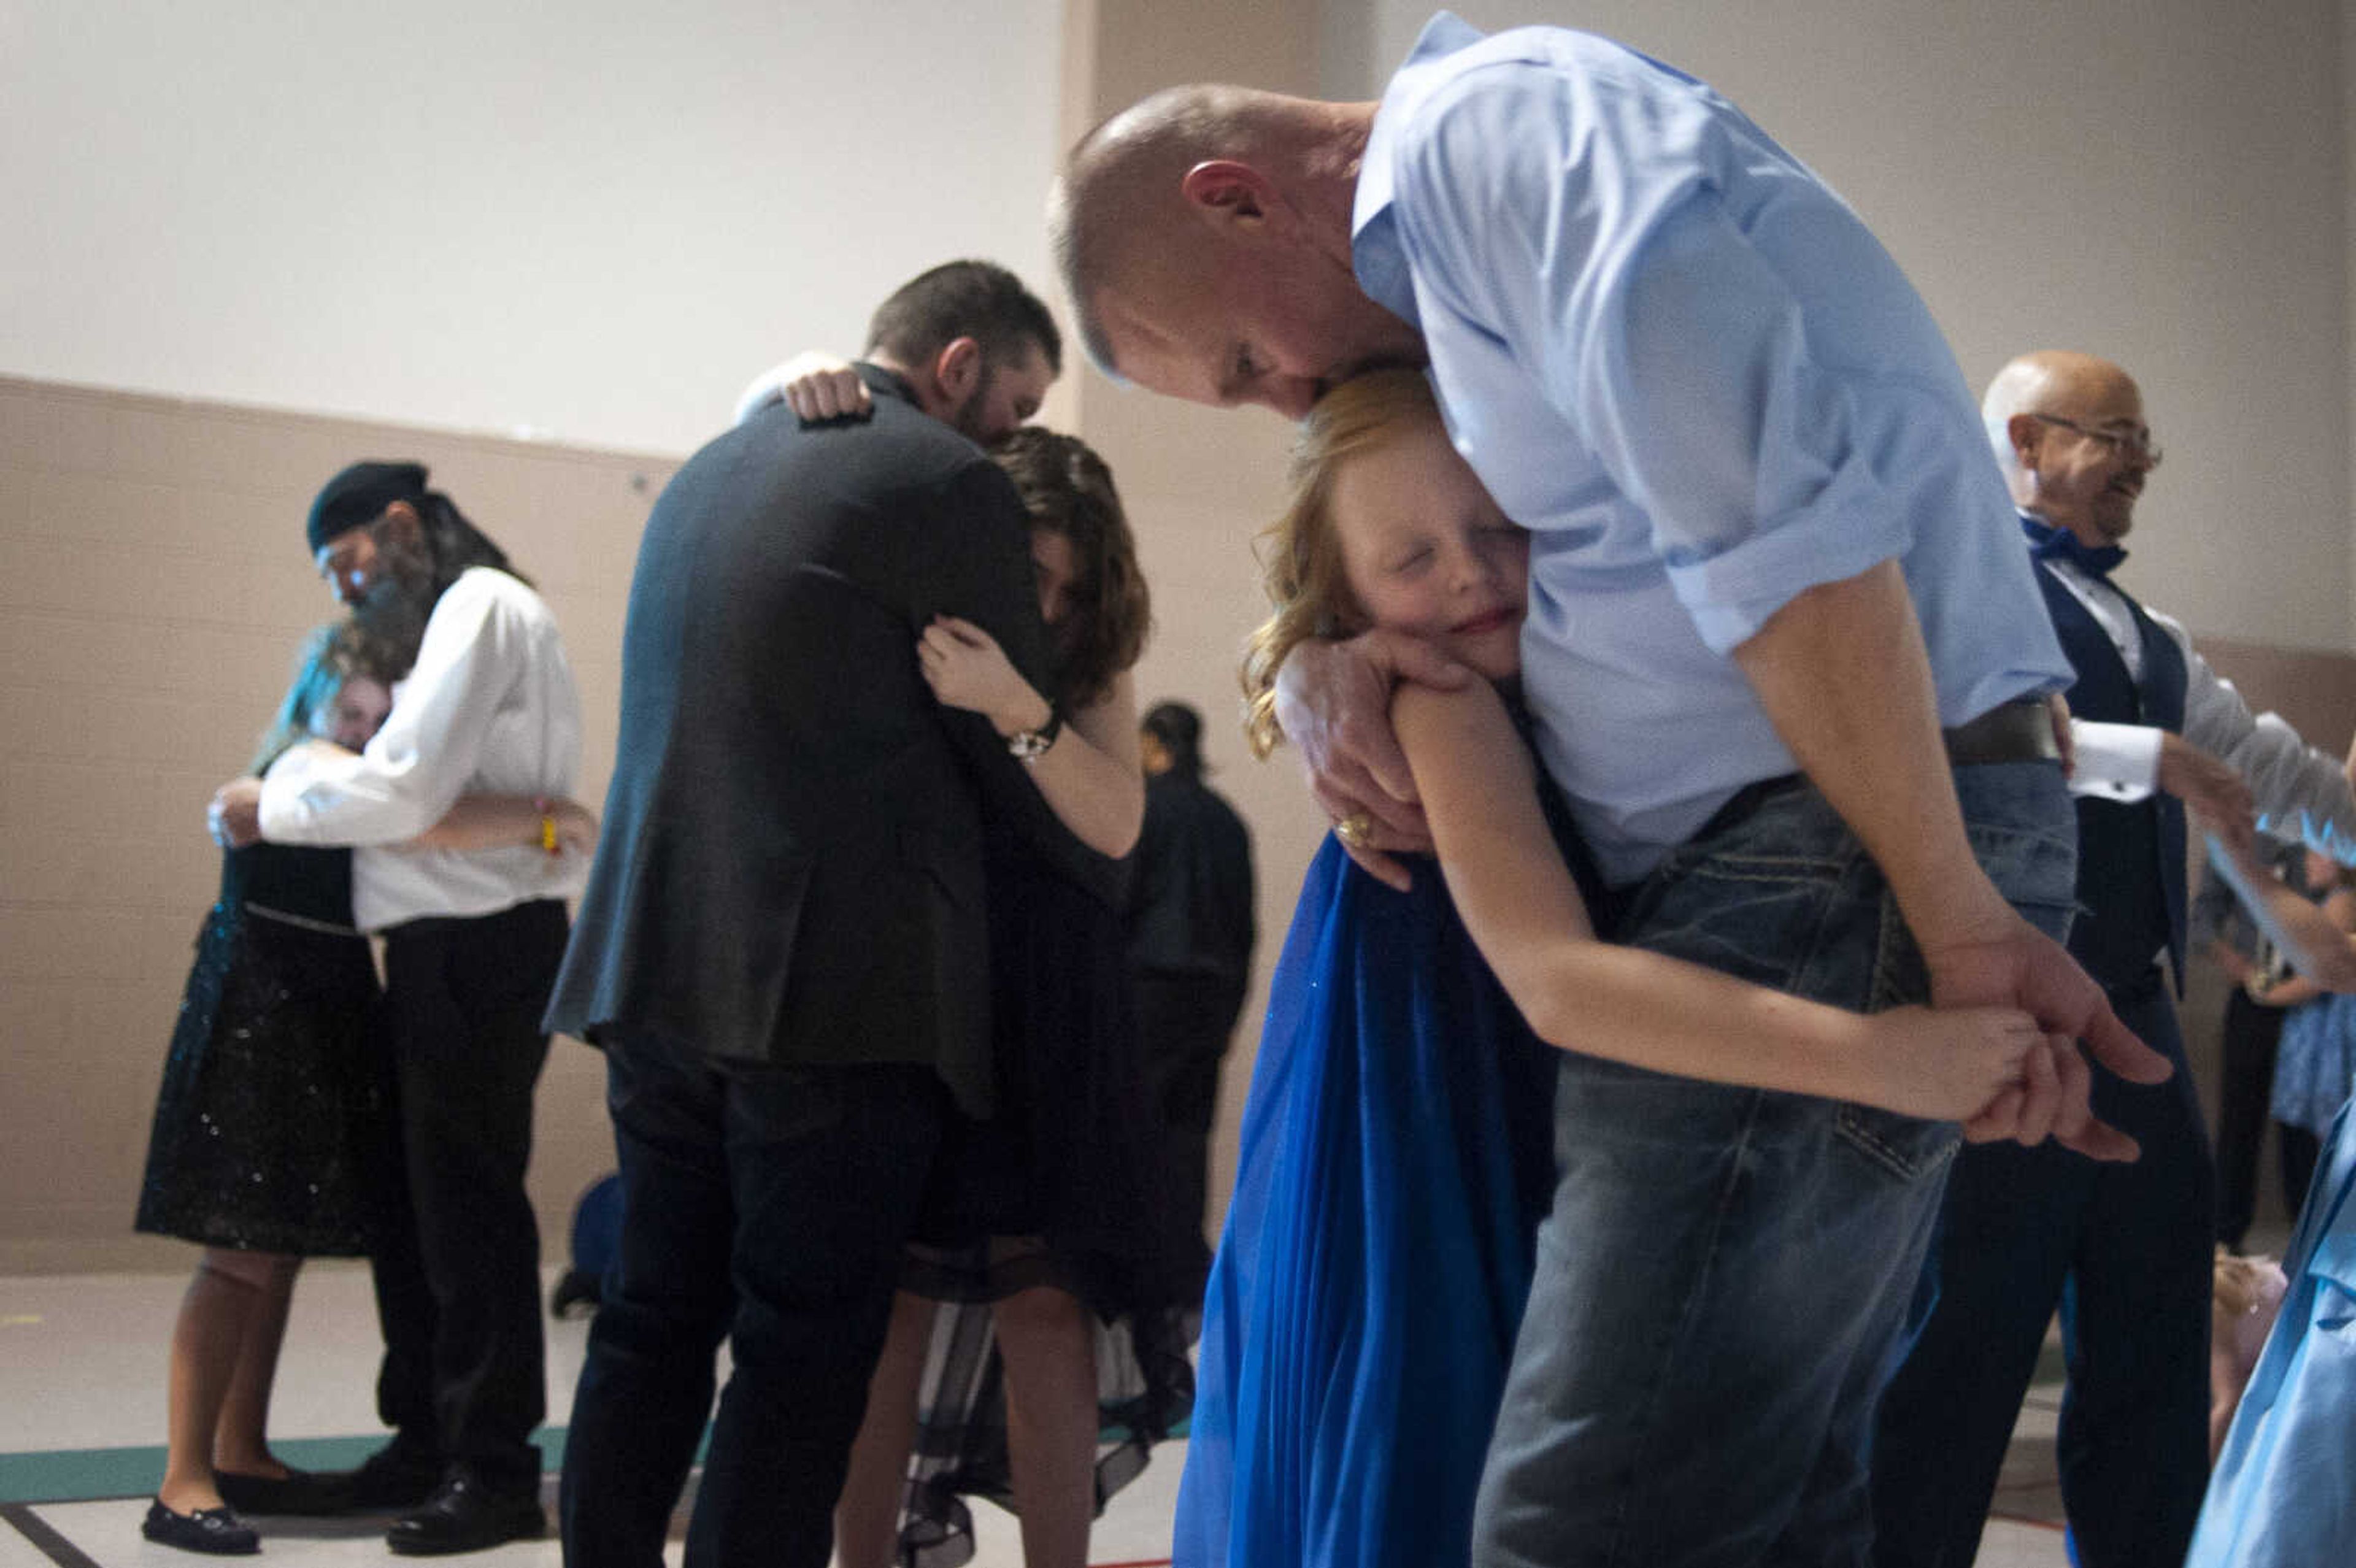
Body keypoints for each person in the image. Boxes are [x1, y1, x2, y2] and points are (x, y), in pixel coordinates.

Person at [1050, 18, 2167, 1563]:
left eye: (1243, 362)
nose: (1285, 394)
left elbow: (1784, 539)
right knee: (1768, 1499)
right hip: (1818, 859)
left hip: (1820, 859)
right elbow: (1594, 546)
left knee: (1597, 1514)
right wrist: (1334, 653)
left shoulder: (1487, 142)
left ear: (1237, 195)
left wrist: (1955, 922)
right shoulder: (1467, 245)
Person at [1182, 368, 2070, 1567]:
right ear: (1344, 590)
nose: (1470, 575)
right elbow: (1554, 985)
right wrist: (1884, 1057)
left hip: (1544, 1082)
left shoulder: (1563, 685)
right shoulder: (1443, 700)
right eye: (1413, 559)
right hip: (1458, 1123)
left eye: (1502, 529)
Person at [543, 261, 1075, 1568]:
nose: (1015, 442)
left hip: (657, 960)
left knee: (650, 1322)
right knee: (799, 1352)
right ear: (955, 367)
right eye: (1012, 406)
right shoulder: (947, 482)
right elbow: (1004, 731)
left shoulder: (712, 467)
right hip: (830, 989)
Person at [1871, 352, 2356, 1568]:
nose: (2142, 462)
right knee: (1961, 1348)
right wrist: (2149, 761)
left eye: (2146, 440)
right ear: (2027, 441)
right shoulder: (1947, 585)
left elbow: (2273, 776)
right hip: (2002, 1029)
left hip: (2137, 1025)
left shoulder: (2155, 637)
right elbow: (1947, 730)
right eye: (2118, 434)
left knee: (2153, 1339)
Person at [148, 613, 595, 1556]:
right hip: (265, 1025)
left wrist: (551, 819)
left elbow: (426, 815)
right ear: (311, 700)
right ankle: (184, 1477)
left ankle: (239, 1451)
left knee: (274, 1255)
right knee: (240, 1255)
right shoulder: (305, 773)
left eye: (377, 720)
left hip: (324, 1021)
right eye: (349, 710)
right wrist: (555, 816)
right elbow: (421, 817)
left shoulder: (338, 786)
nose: (360, 730)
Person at [833, 427, 1188, 1568]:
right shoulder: (910, 617)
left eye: (1070, 587)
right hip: (926, 978)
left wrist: (1012, 706)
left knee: (1048, 1300)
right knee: (886, 1301)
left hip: (1055, 992)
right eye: (1034, 574)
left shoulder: (1084, 659)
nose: (1052, 602)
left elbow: (1118, 825)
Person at [1127, 700, 1255, 1296]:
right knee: (1188, 1132)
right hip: (1211, 997)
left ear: (1156, 742)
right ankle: (1183, 1269)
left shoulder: (1143, 808)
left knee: (1134, 1125)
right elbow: (1243, 924)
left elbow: (1121, 904)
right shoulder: (1227, 821)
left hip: (1148, 988)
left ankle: (1134, 1262)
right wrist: (1231, 1011)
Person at [2200, 837, 2329, 1250]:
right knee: (2239, 1119)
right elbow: (2203, 914)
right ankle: (2225, 1237)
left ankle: (2308, 1239)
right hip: (2252, 996)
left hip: (2314, 1003)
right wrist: (2231, 960)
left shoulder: (2327, 843)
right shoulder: (2235, 836)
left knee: (2303, 1127)